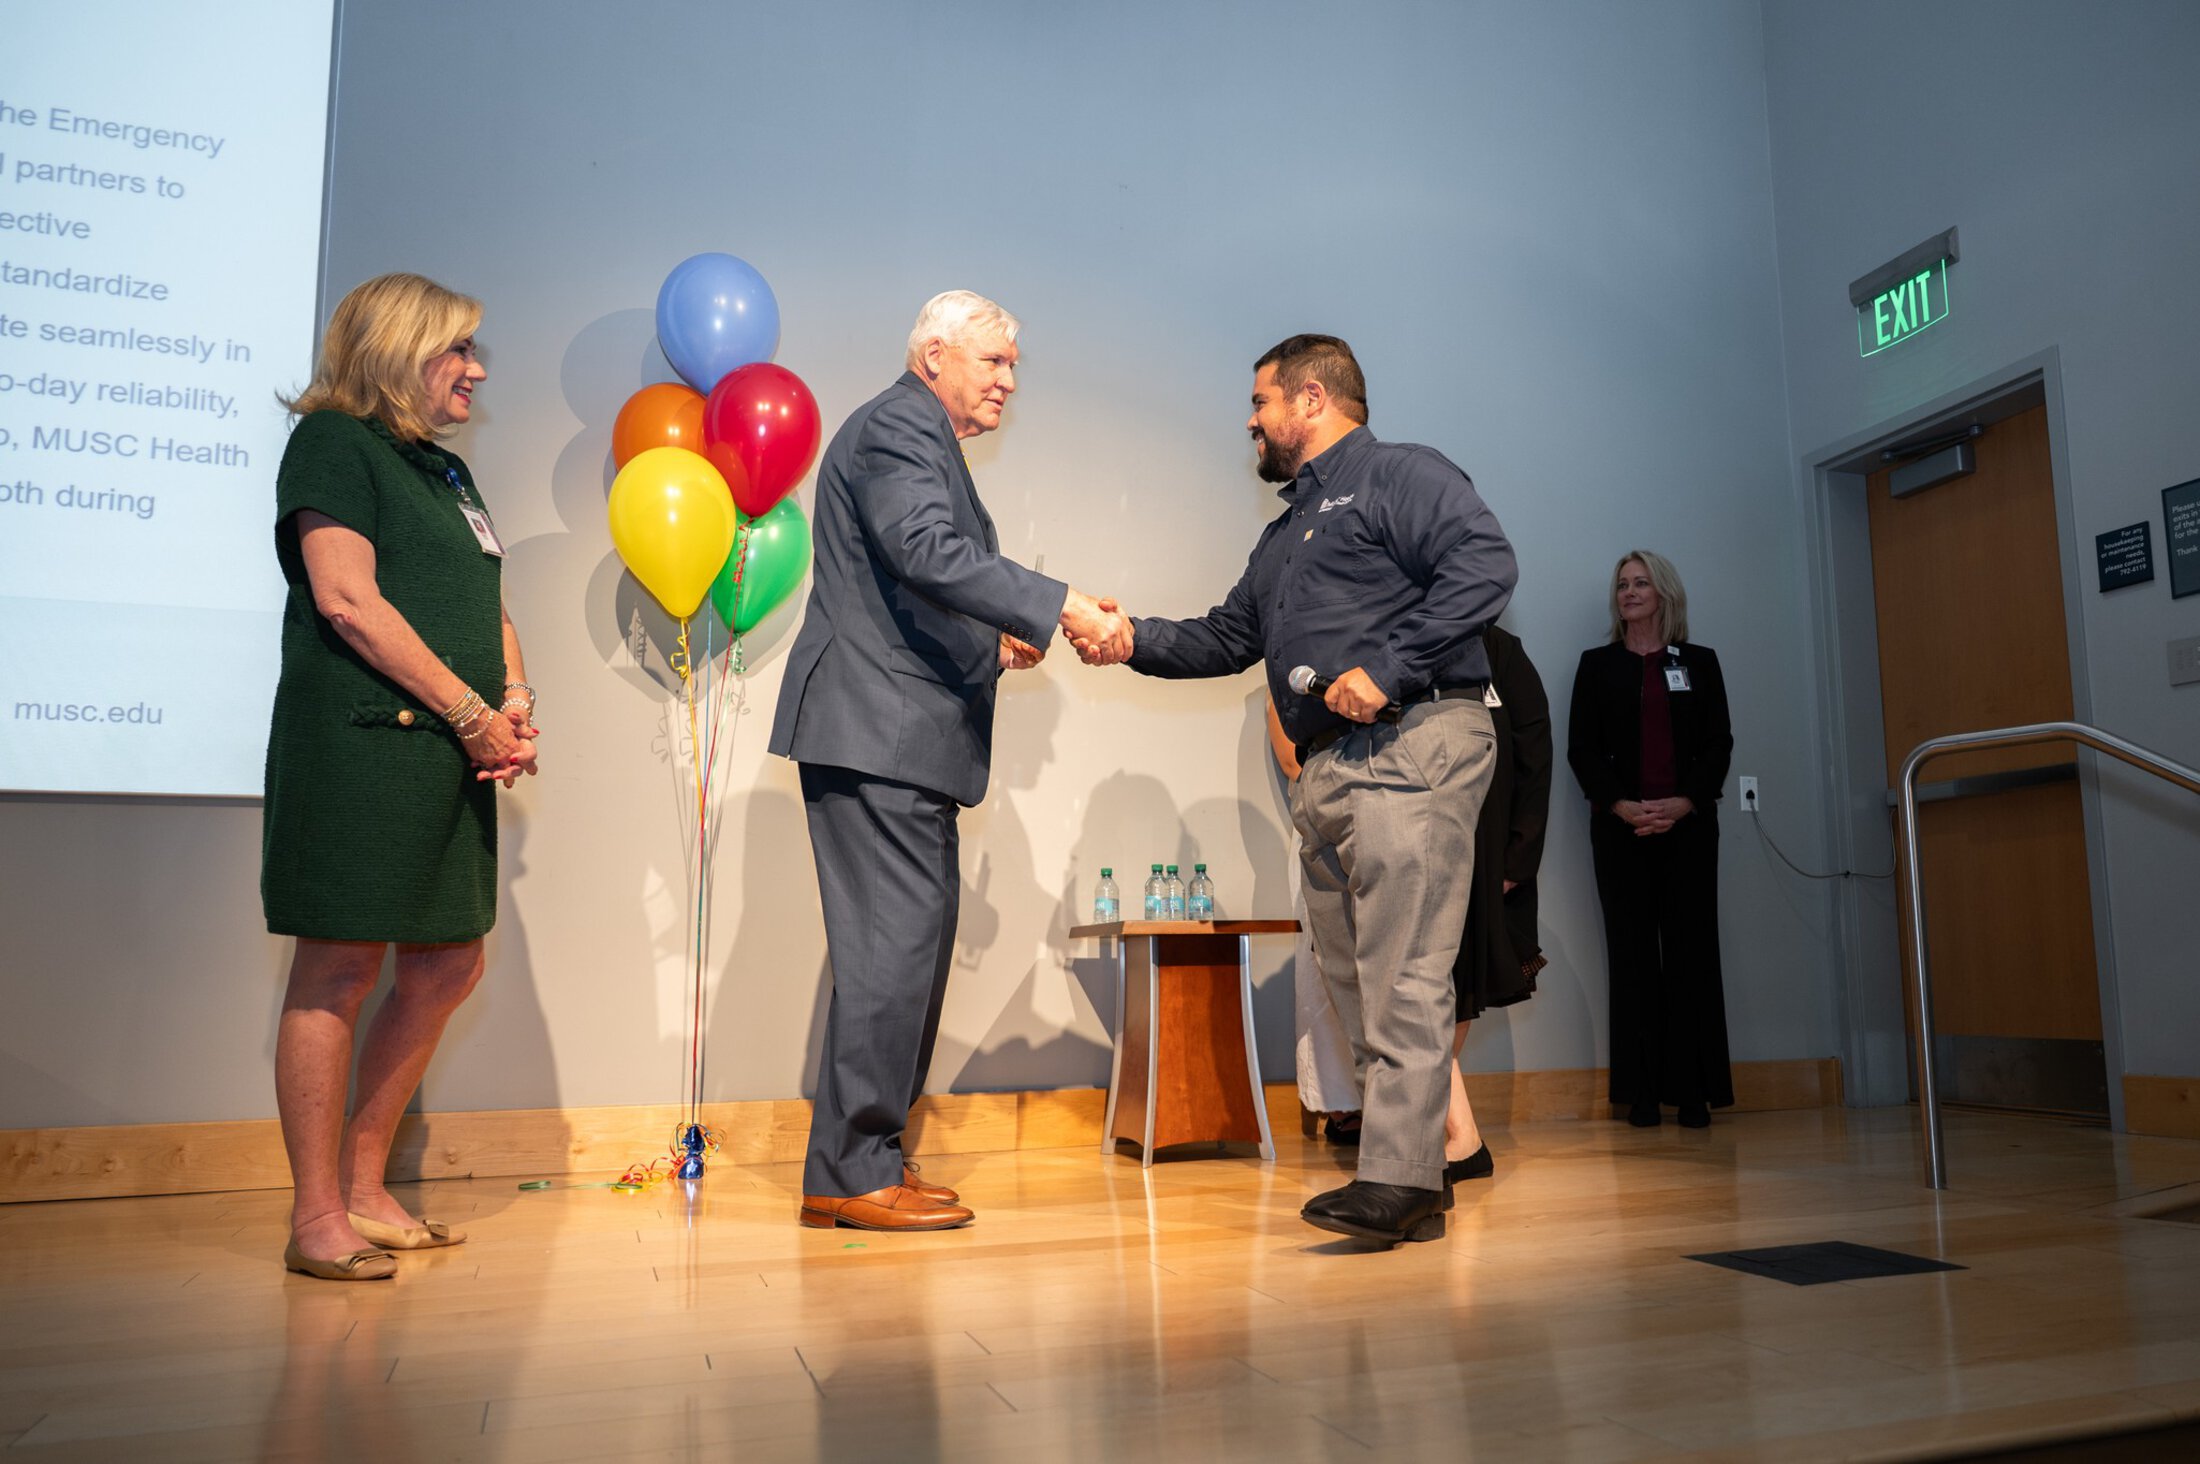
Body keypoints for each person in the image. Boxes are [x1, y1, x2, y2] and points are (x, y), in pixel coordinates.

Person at [1093, 334, 1516, 1246]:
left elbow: (1485, 564)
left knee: (1404, 972)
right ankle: (1412, 1175)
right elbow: (1224, 637)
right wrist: (1129, 639)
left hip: (1410, 741)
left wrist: (1390, 667)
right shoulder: (1286, 533)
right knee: (1356, 980)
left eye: (1261, 402)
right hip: (1329, 770)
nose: (1251, 420)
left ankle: (1401, 1179)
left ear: (1312, 398)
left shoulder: (1403, 474)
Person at [770, 291, 1131, 1231]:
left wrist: (988, 643)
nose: (1009, 381)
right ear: (933, 355)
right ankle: (852, 1173)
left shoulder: (920, 436)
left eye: (1014, 366)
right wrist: (1059, 605)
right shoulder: (900, 426)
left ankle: (865, 1160)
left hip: (900, 737)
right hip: (876, 733)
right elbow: (925, 550)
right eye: (993, 362)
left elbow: (906, 585)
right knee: (889, 959)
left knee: (908, 960)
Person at [264, 273, 539, 1281]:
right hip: (363, 749)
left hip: (450, 749)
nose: (475, 371)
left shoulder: (446, 472)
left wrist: (513, 700)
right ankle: (316, 1217)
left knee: (446, 966)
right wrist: (470, 714)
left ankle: (367, 1189)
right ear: (396, 349)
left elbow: (486, 599)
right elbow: (346, 599)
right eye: (458, 349)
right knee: (337, 970)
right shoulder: (333, 443)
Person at [1566, 550, 1733, 1128]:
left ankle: (1693, 1092)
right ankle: (1640, 1094)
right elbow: (1582, 748)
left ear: (1664, 593)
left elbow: (1718, 743)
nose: (1630, 593)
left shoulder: (1700, 663)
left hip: (1688, 829)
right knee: (1632, 958)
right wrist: (1621, 805)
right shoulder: (1598, 666)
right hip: (1621, 831)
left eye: (1641, 583)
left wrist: (1685, 802)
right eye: (1622, 585)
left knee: (1691, 954)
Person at [1442, 623, 1553, 1181]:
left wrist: (1517, 858)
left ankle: (1455, 1135)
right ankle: (1451, 1131)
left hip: (1491, 855)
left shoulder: (1503, 652)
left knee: (1457, 987)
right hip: (1428, 843)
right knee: (1426, 987)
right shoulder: (1405, 643)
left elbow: (1535, 757)